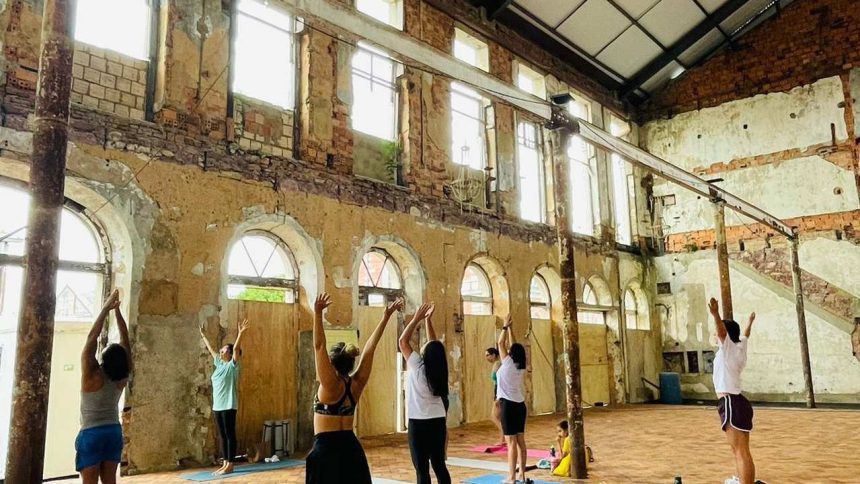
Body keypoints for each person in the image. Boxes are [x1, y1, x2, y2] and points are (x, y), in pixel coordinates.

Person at [306, 293, 404, 484]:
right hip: (351, 448)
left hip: (326, 451)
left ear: (332, 364)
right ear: (351, 363)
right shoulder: (356, 384)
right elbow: (370, 348)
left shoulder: (330, 386)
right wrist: (385, 317)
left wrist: (317, 313)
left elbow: (319, 347)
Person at [76, 289, 131, 484]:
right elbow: (126, 339)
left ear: (104, 359)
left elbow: (92, 338)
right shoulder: (122, 377)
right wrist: (117, 313)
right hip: (113, 432)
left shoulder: (92, 375)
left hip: (91, 434)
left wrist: (106, 308)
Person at [398, 303, 451, 484]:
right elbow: (434, 347)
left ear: (425, 354)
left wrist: (416, 319)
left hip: (418, 423)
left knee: (422, 470)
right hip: (437, 420)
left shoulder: (419, 367)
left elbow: (402, 342)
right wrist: (428, 321)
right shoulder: (440, 370)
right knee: (439, 465)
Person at [708, 298, 756, 484]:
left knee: (740, 451)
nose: (716, 335)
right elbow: (746, 334)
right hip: (739, 402)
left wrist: (715, 314)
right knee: (740, 450)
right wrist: (750, 322)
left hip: (730, 402)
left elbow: (721, 331)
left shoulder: (727, 347)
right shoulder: (740, 346)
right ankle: (742, 480)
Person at [200, 317, 250, 475]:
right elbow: (210, 349)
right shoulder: (219, 364)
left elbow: (236, 350)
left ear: (230, 354)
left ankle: (230, 464)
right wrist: (203, 335)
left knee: (230, 434)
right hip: (218, 406)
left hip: (229, 405)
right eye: (221, 350)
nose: (221, 352)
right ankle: (225, 463)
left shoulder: (232, 366)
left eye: (224, 350)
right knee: (222, 435)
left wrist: (240, 333)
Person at [496, 316, 528, 484]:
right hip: (520, 406)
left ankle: (512, 478)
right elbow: (513, 345)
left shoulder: (507, 362)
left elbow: (500, 344)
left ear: (511, 353)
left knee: (511, 443)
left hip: (507, 405)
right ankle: (522, 474)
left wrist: (503, 327)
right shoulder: (521, 366)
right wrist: (510, 329)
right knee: (521, 441)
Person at [485, 347, 505, 446]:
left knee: (494, 417)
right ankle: (503, 439)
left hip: (498, 392)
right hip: (497, 391)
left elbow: (499, 382)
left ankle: (503, 438)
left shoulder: (498, 364)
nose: (486, 358)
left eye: (488, 355)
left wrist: (497, 397)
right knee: (499, 417)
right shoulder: (496, 364)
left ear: (494, 355)